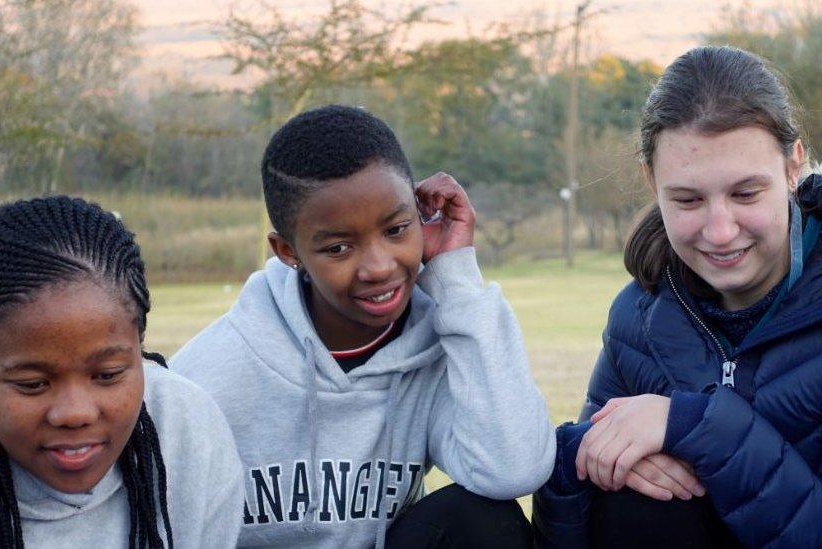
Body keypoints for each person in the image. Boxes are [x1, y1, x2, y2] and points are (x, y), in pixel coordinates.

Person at [533, 45, 822, 548]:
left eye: (746, 194)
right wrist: (581, 456)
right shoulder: (637, 316)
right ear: (651, 181)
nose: (720, 231)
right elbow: (577, 517)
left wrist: (693, 425)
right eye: (687, 199)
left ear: (795, 166)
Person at [170, 104, 555, 548]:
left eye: (396, 229)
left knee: (484, 520)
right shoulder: (208, 378)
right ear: (287, 250)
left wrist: (456, 276)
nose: (378, 267)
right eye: (338, 247)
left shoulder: (439, 345)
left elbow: (514, 469)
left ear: (419, 212)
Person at [0, 196, 244, 548]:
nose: (75, 413)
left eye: (107, 375)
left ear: (140, 352)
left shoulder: (188, 433)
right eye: (33, 384)